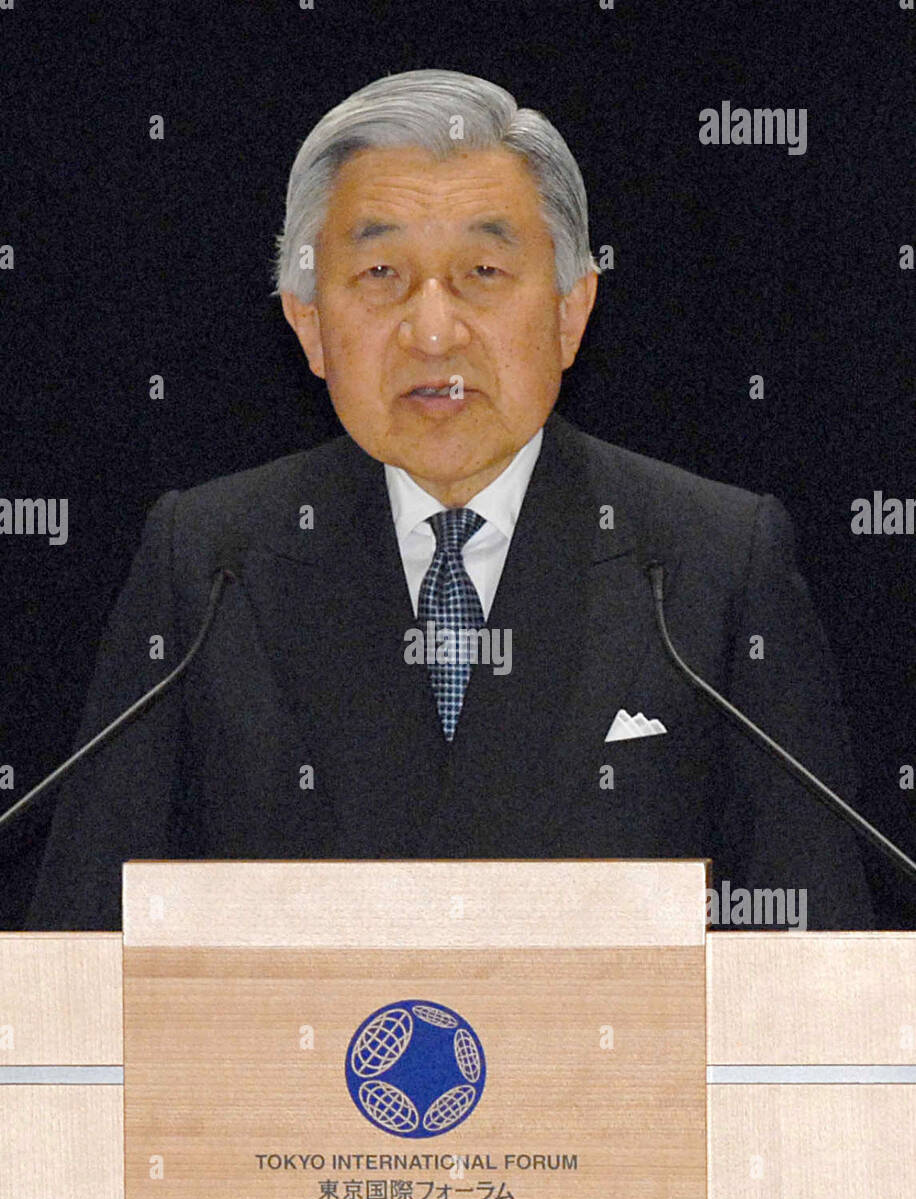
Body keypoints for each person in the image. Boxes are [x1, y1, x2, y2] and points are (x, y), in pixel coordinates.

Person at [25, 70, 874, 931]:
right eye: (382, 271)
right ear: (309, 324)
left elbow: (819, 962)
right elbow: (85, 947)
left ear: (571, 311)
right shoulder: (207, 563)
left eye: (482, 269)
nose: (433, 330)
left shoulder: (715, 562)